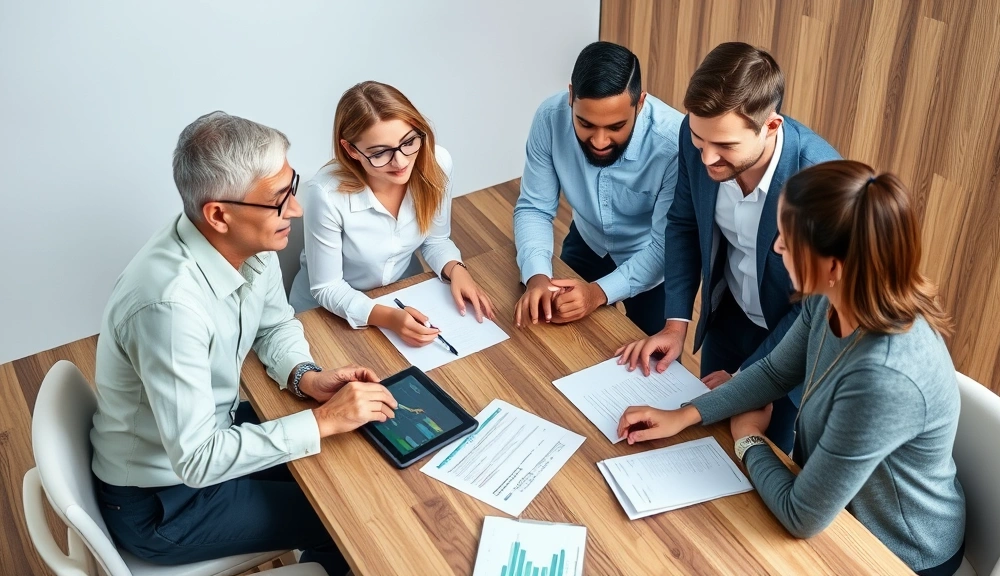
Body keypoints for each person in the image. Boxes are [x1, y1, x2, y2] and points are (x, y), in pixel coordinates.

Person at [618, 161, 966, 576]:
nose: (777, 247)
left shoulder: (885, 378)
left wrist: (748, 438)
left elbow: (801, 516)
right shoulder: (831, 298)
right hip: (837, 510)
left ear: (834, 266)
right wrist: (685, 414)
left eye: (787, 240)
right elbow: (773, 374)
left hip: (895, 551)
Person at [90, 112, 398, 575]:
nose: (295, 209)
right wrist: (322, 420)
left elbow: (274, 326)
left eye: (292, 186)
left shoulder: (241, 243)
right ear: (218, 214)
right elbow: (196, 460)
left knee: (354, 464)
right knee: (348, 517)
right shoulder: (169, 307)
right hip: (163, 503)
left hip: (214, 433)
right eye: (279, 199)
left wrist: (305, 376)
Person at [616, 42, 840, 453]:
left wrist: (747, 380)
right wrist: (675, 324)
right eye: (700, 139)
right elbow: (682, 224)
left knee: (760, 455)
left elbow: (816, 302)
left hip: (790, 336)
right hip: (728, 318)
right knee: (708, 446)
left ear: (770, 127)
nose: (707, 158)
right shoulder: (696, 135)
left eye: (725, 146)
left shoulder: (819, 179)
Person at [290, 81, 494, 346]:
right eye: (380, 152)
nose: (400, 162)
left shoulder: (437, 164)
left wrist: (457, 269)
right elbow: (327, 287)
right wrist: (389, 318)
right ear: (351, 150)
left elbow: (435, 240)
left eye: (408, 142)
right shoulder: (327, 193)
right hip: (326, 312)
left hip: (400, 295)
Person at [512, 41, 684, 336]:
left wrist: (597, 294)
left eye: (616, 127)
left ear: (640, 104)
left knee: (656, 369)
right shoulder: (549, 118)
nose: (600, 141)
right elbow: (534, 208)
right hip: (587, 238)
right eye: (585, 123)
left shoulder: (674, 144)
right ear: (571, 97)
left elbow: (664, 245)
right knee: (557, 339)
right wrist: (537, 276)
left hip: (652, 258)